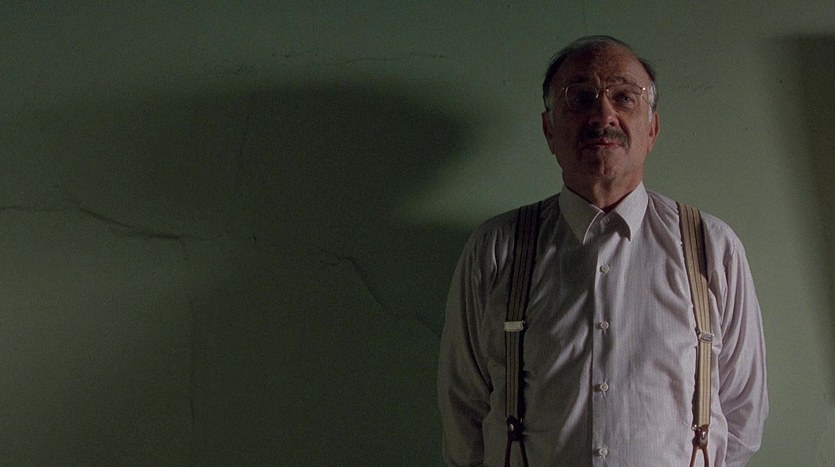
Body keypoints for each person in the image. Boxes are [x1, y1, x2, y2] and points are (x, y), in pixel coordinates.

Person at [437, 36, 768, 466]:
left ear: (652, 129)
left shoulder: (713, 247)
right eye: (581, 98)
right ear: (549, 130)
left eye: (625, 97)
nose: (603, 114)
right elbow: (463, 410)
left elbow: (743, 414)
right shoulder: (495, 248)